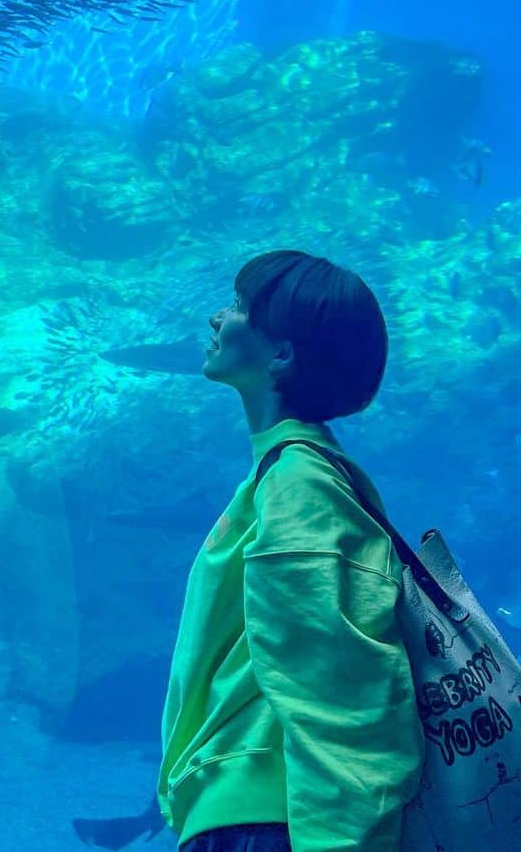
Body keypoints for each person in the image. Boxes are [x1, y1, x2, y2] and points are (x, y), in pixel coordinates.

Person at [73, 250, 424, 852]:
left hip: (276, 819)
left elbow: (344, 685)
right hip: (260, 812)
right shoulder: (287, 474)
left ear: (282, 353)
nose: (216, 318)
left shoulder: (300, 485)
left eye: (238, 306)